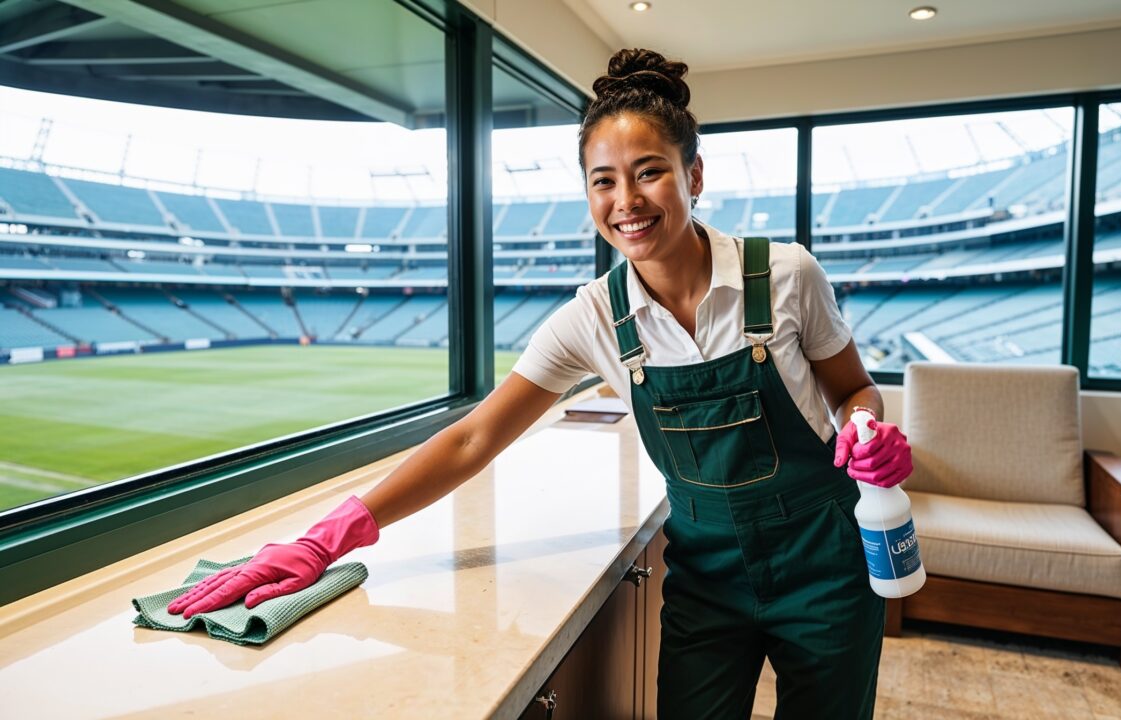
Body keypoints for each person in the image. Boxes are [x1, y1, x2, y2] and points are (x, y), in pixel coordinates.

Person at [169, 48, 913, 719]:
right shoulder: (593, 318)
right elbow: (474, 436)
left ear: (692, 174)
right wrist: (324, 539)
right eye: (603, 181)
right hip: (706, 581)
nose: (627, 201)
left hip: (827, 565)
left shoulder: (784, 274)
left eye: (649, 170)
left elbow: (852, 387)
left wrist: (865, 427)